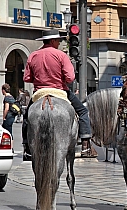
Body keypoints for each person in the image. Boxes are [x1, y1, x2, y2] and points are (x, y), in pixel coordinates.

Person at [22, 29, 97, 161]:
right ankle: (85, 145)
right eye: (58, 40)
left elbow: (27, 78)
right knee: (83, 112)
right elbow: (70, 78)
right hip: (59, 91)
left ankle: (27, 147)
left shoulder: (33, 55)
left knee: (27, 118)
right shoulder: (61, 55)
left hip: (39, 93)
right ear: (52, 41)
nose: (59, 42)